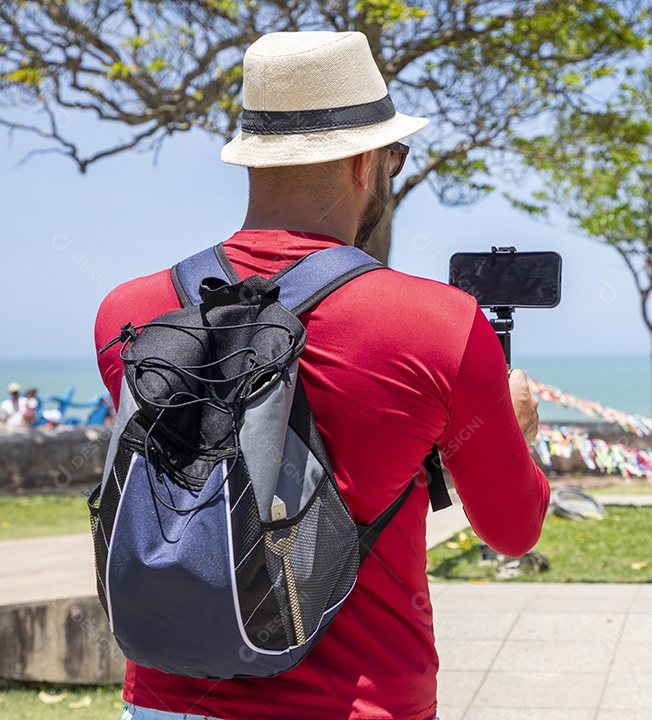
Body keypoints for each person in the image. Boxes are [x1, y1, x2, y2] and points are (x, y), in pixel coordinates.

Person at [94, 31, 549, 720]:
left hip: (166, 702)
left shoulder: (128, 315)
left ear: (251, 160)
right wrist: (515, 427)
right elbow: (513, 530)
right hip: (355, 703)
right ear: (366, 162)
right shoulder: (441, 325)